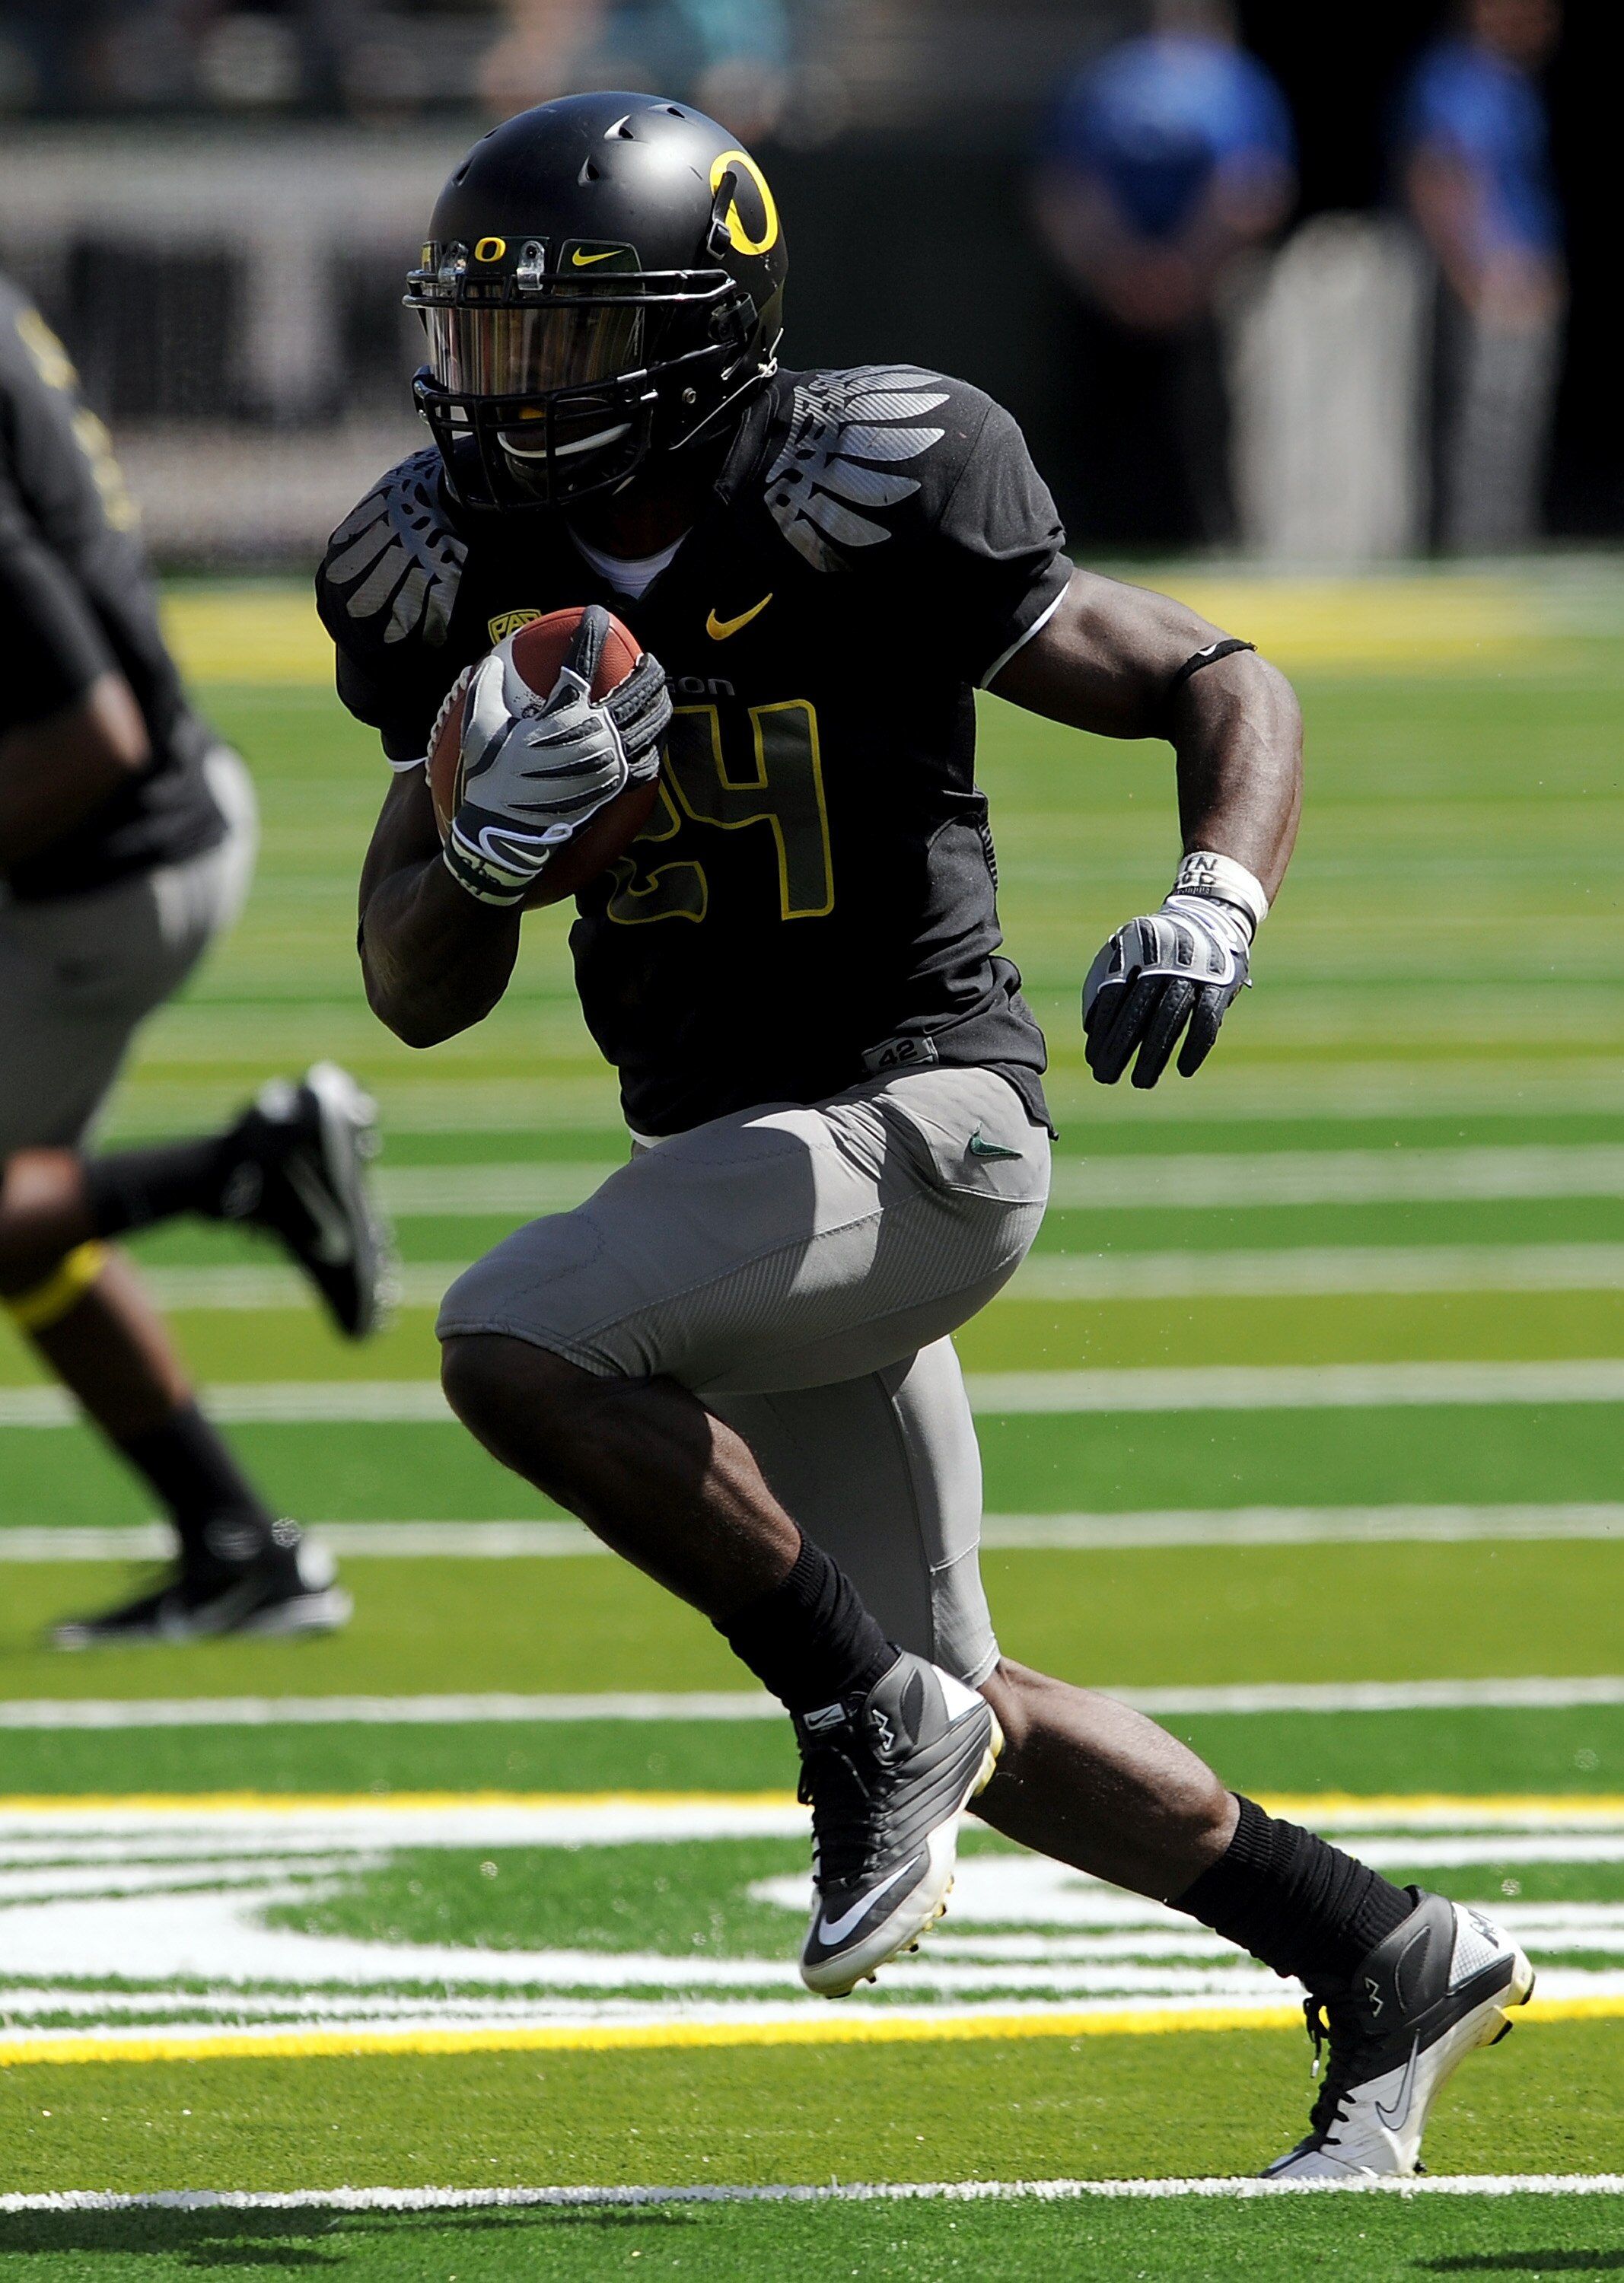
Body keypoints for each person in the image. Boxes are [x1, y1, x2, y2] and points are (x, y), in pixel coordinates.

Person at [329, 94, 1530, 2178]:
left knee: (513, 1339)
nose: (509, 386)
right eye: (487, 333)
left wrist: (1211, 898)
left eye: (566, 335)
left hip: (926, 1117)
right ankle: (1379, 1948)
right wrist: (479, 858)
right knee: (975, 1697)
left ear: (698, 333)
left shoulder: (864, 480)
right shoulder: (455, 567)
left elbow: (1214, 677)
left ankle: (858, 1721)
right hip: (742, 1168)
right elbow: (408, 981)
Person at [0, 272, 390, 1647]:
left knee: (15, 1200)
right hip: (128, 836)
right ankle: (235, 1547)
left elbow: (87, 732)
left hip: (102, 863)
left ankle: (246, 1165)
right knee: (34, 1204)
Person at [1033, 0, 1294, 548]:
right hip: (1149, 296)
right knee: (1138, 436)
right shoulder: (1219, 79)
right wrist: (1161, 271)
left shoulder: (1106, 78)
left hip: (1158, 293)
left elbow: (1062, 191)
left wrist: (1131, 268)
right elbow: (1254, 188)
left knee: (1183, 435)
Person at [1396, 0, 1564, 552]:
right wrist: (1473, 271)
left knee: (1514, 421)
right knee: (1484, 424)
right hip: (1492, 274)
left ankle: (1505, 539)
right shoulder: (1459, 77)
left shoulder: (1511, 81)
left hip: (1521, 272)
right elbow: (1439, 175)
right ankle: (1478, 547)